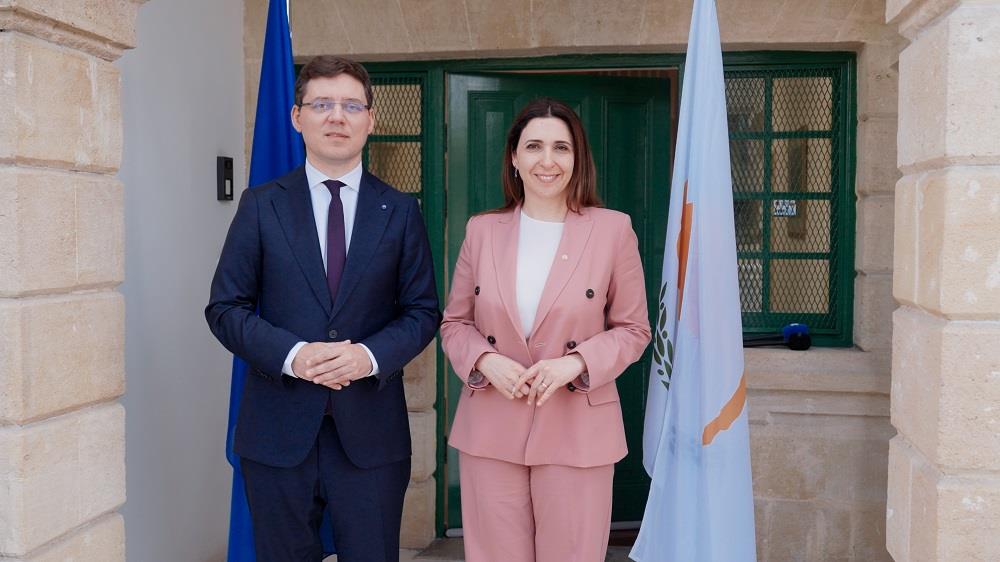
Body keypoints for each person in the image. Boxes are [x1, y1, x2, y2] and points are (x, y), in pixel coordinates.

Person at [205, 55, 440, 562]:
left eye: (352, 105)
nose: (337, 116)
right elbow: (225, 307)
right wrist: (294, 355)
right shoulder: (261, 205)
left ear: (370, 120)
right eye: (322, 104)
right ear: (297, 117)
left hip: (371, 438)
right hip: (277, 433)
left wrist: (366, 357)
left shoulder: (400, 211)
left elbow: (422, 311)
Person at [440, 98, 652, 561]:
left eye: (562, 147)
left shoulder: (613, 230)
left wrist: (575, 363)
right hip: (491, 425)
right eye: (534, 146)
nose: (547, 160)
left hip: (577, 426)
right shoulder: (481, 231)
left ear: (578, 159)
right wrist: (484, 359)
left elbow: (634, 329)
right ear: (514, 158)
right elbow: (455, 323)